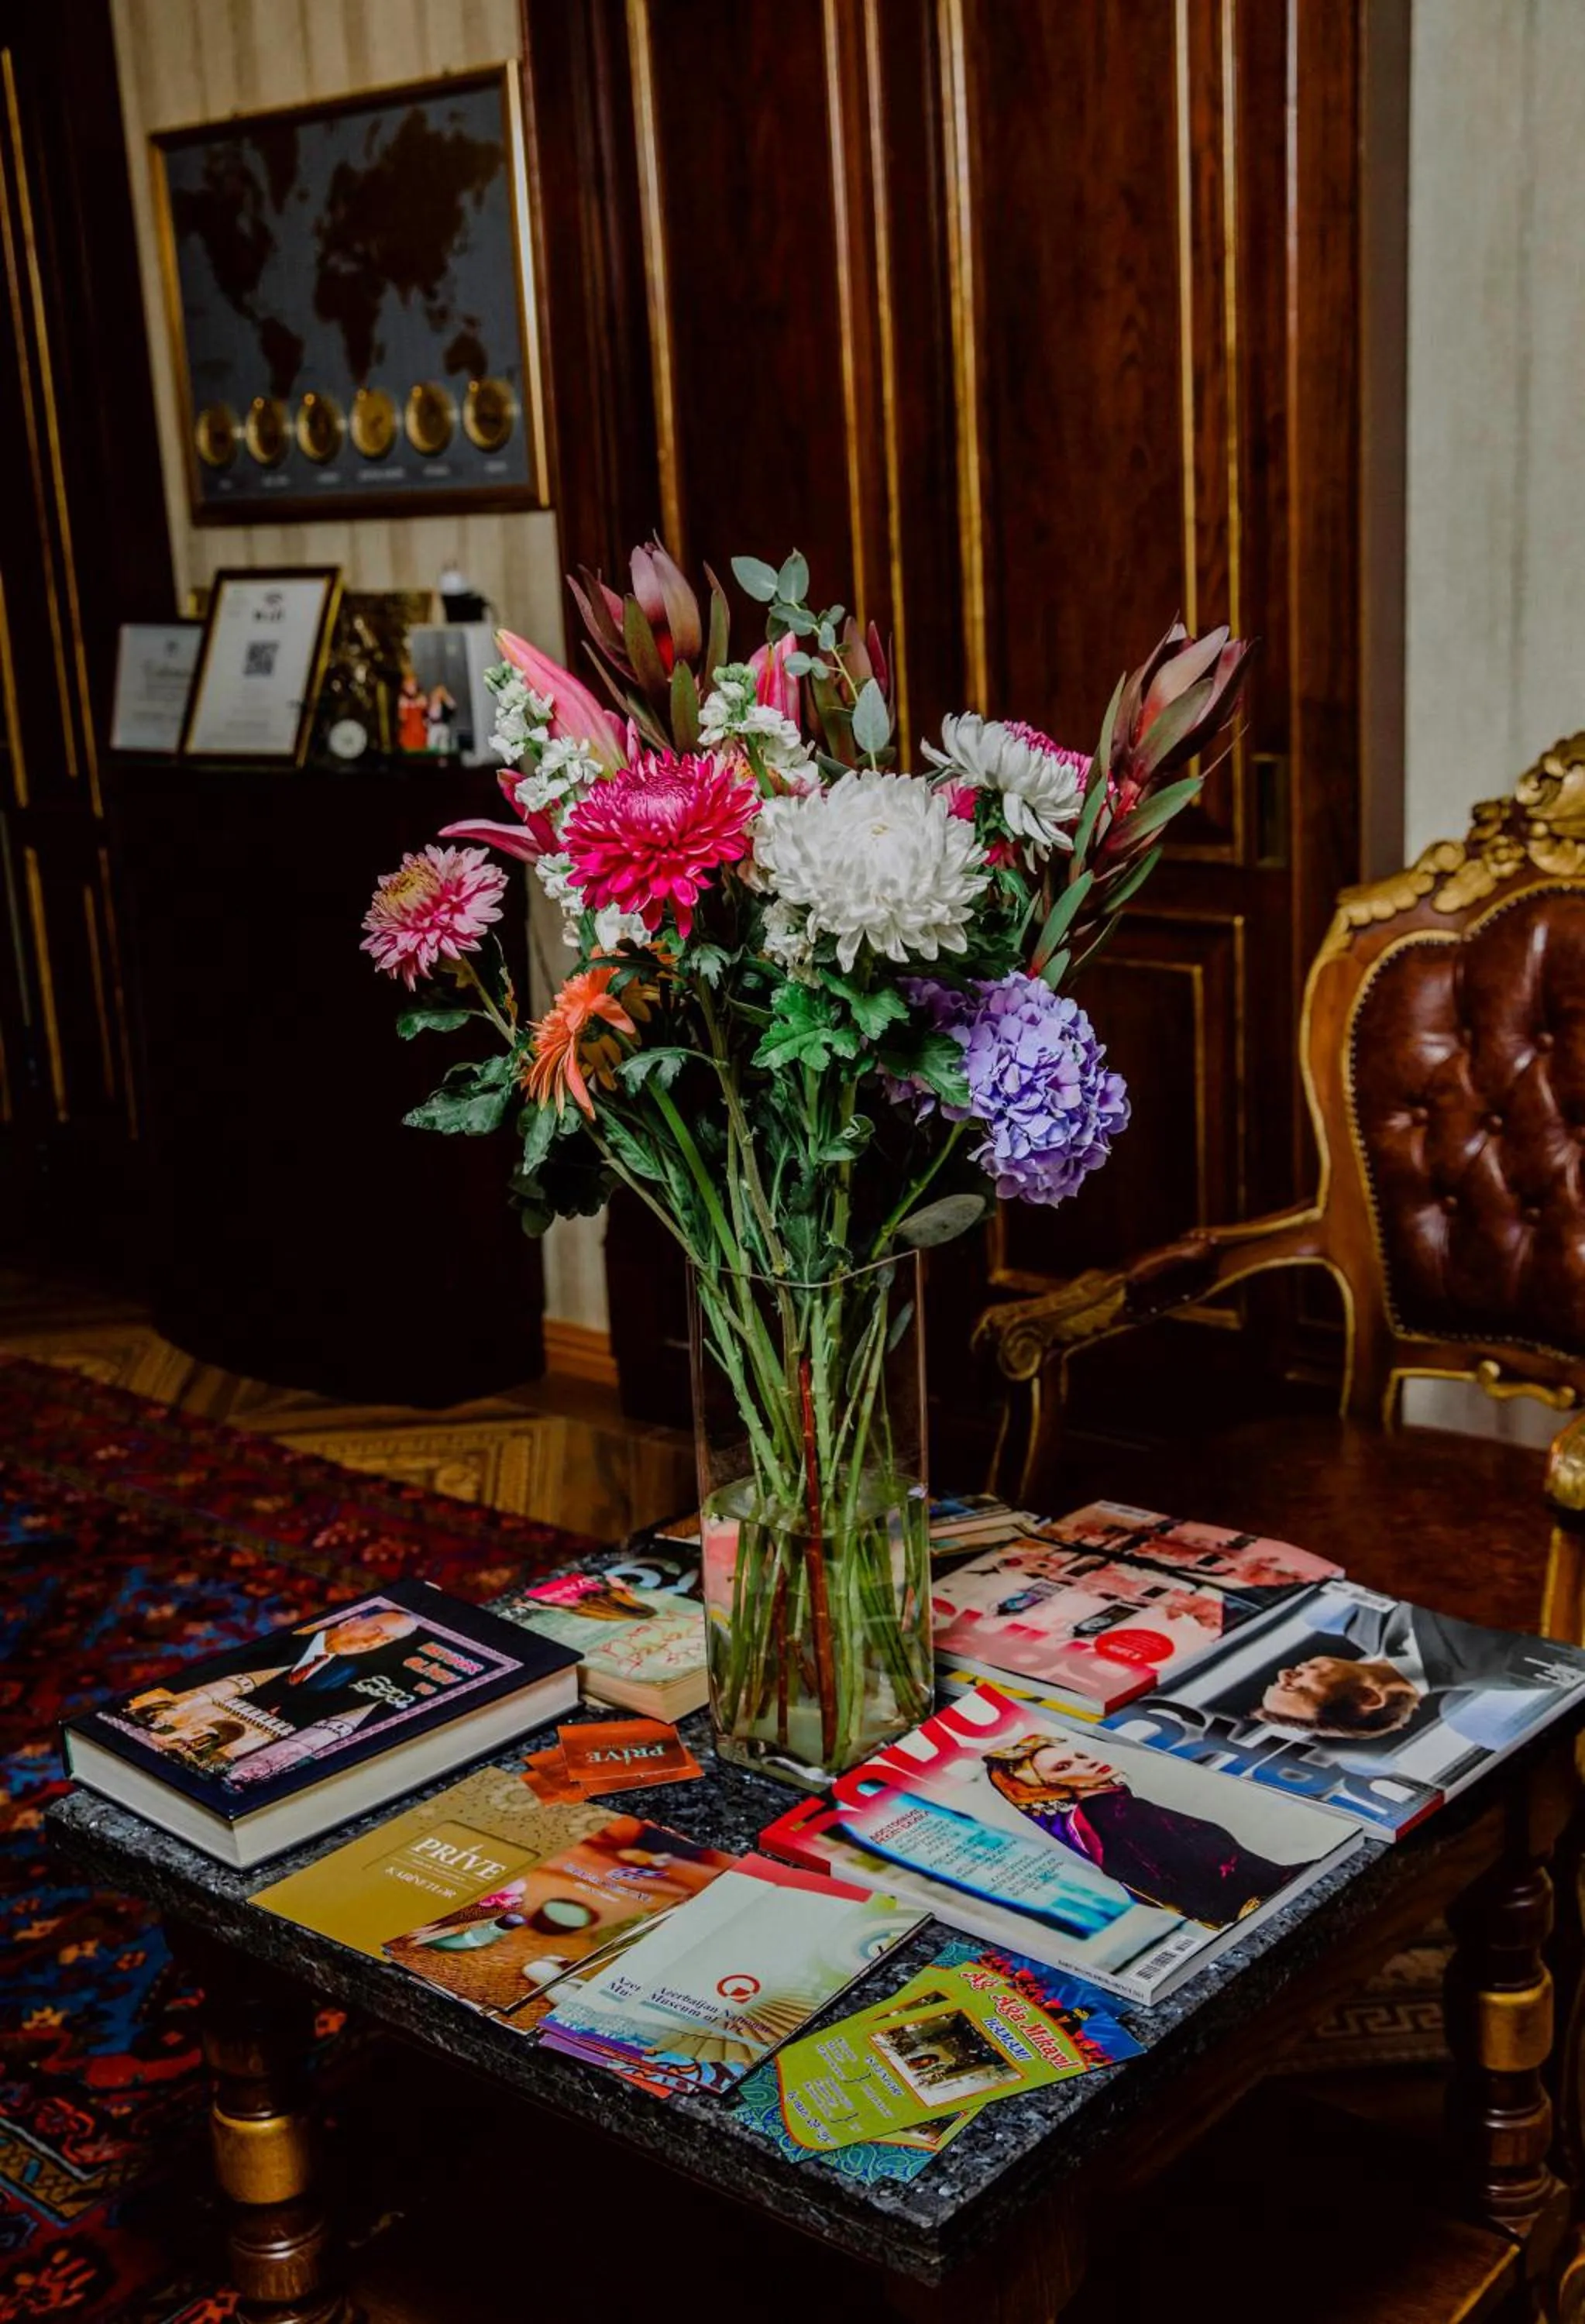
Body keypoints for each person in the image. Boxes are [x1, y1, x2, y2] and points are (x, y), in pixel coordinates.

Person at [983, 1733, 1301, 1928]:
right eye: (1064, 1768)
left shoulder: (1114, 1810)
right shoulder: (1116, 1817)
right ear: (1049, 1787)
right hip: (1269, 1907)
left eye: (1078, 1756)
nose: (1087, 1763)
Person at [1252, 1599, 1561, 1741]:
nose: (1285, 1674)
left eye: (1279, 1682)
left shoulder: (1356, 1619)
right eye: (1295, 1687)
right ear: (1368, 1697)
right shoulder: (1504, 1667)